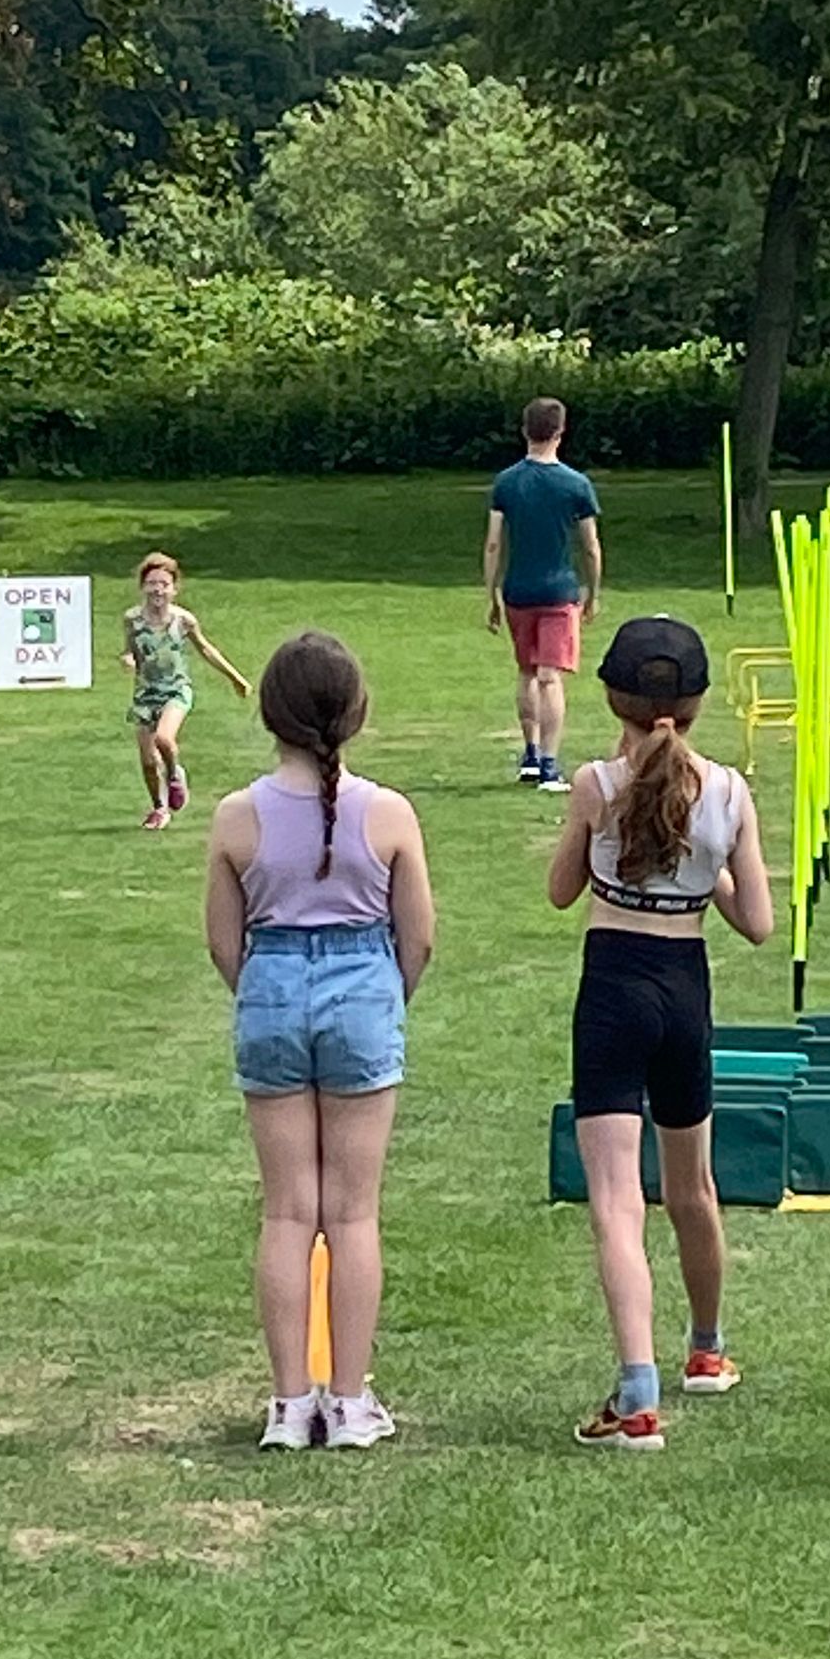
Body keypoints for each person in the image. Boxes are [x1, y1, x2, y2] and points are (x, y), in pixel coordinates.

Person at [548, 616, 773, 1451]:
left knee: (616, 1199)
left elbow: (562, 890)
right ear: (698, 703)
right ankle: (706, 1351)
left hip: (614, 983)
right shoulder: (728, 792)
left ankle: (637, 1393)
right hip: (687, 987)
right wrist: (705, 868)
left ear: (614, 698)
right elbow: (756, 920)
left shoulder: (596, 785)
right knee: (693, 1189)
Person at [206, 632, 435, 1451]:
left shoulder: (237, 816)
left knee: (287, 1212)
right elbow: (419, 939)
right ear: (355, 713)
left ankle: (287, 1401)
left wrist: (269, 993)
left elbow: (223, 943)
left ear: (271, 713)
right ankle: (348, 1400)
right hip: (362, 995)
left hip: (270, 992)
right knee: (354, 1212)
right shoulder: (390, 813)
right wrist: (379, 999)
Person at [484, 397, 602, 794]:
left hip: (518, 590)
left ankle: (531, 754)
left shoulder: (506, 482)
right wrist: (594, 591)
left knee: (526, 672)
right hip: (558, 591)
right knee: (551, 678)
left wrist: (491, 594)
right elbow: (589, 546)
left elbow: (493, 544)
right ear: (560, 431)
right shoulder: (575, 484)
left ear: (524, 430)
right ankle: (550, 765)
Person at [121, 553, 251, 829]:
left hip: (176, 690)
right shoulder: (132, 619)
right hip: (145, 694)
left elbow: (206, 649)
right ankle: (159, 808)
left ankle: (174, 774)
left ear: (174, 589)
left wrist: (235, 678)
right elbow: (131, 650)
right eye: (152, 583)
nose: (158, 589)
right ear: (143, 587)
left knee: (164, 741)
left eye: (164, 584)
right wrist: (128, 659)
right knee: (146, 761)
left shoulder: (183, 621)